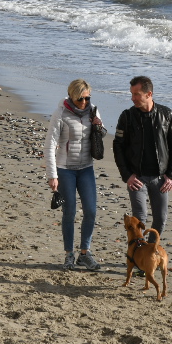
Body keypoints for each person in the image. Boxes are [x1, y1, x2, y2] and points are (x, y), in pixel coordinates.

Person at [45, 78, 103, 271]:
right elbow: (50, 145)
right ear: (71, 96)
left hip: (86, 168)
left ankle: (84, 254)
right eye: (80, 99)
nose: (84, 102)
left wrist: (99, 126)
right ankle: (69, 254)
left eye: (87, 98)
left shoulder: (93, 111)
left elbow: (100, 135)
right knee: (69, 212)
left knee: (91, 211)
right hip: (65, 169)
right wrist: (52, 175)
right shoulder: (60, 113)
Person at [112, 75, 172, 237]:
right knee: (139, 219)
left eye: (136, 94)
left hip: (160, 178)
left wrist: (171, 175)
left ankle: (149, 249)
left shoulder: (166, 114)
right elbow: (118, 147)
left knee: (160, 219)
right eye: (132, 94)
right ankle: (138, 251)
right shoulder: (127, 116)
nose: (133, 98)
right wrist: (127, 175)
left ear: (149, 94)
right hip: (137, 178)